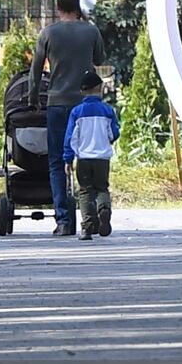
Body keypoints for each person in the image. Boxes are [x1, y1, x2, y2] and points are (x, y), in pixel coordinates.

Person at [28, 0, 107, 236]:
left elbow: (36, 70)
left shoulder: (48, 33)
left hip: (57, 103)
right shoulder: (91, 31)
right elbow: (100, 58)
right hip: (85, 105)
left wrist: (33, 99)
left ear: (58, 8)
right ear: (78, 7)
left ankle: (63, 220)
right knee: (88, 157)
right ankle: (91, 213)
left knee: (56, 161)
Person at [63, 70, 120, 241]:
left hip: (84, 158)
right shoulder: (107, 110)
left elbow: (70, 137)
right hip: (102, 158)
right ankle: (104, 209)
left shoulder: (76, 112)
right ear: (100, 88)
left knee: (85, 192)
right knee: (102, 188)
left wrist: (68, 159)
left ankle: (87, 228)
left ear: (82, 91)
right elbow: (114, 133)